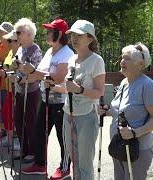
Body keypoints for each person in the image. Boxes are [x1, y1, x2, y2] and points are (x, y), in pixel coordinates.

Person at [98, 43, 153, 180]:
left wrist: (135, 132)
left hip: (137, 149)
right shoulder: (124, 83)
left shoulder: (148, 86)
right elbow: (120, 110)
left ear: (140, 64)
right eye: (122, 57)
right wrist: (106, 111)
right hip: (119, 145)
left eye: (127, 58)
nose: (122, 61)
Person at [20, 19, 73, 180]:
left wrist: (33, 72)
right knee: (39, 132)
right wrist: (28, 71)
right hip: (45, 99)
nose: (47, 33)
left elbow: (58, 77)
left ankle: (65, 168)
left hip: (61, 101)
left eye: (51, 31)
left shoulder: (67, 53)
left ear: (59, 34)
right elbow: (41, 75)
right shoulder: (50, 51)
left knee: (62, 137)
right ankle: (40, 163)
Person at [63, 20, 105, 180]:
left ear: (90, 38)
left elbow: (99, 92)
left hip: (87, 117)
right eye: (72, 35)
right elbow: (68, 88)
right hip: (68, 114)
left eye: (79, 35)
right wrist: (53, 86)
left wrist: (79, 89)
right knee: (74, 160)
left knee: (85, 164)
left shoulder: (96, 61)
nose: (74, 38)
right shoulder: (71, 59)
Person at [8, 18, 43, 163]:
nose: (16, 35)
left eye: (19, 32)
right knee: (18, 120)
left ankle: (33, 152)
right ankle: (24, 150)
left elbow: (35, 73)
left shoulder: (35, 49)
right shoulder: (20, 49)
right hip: (20, 90)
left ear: (29, 33)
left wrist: (20, 74)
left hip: (32, 90)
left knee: (30, 121)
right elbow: (15, 67)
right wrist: (14, 70)